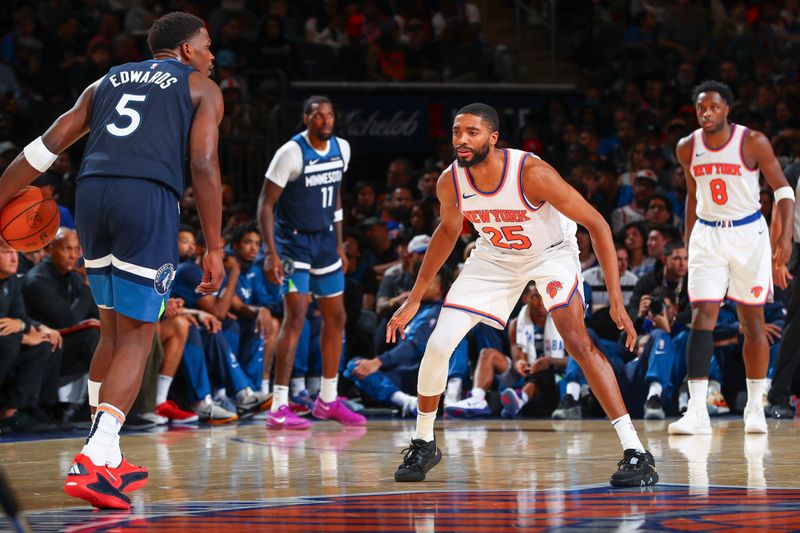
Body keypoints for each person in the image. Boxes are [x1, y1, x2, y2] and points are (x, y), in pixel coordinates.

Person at [0, 12, 225, 510]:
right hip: (146, 199)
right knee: (140, 334)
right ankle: (95, 456)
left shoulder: (106, 80)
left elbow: (48, 145)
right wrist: (214, 245)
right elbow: (205, 164)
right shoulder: (200, 87)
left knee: (112, 328)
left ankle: (108, 450)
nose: (213, 56)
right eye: (207, 46)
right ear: (186, 50)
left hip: (92, 196)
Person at [387, 103, 657, 487]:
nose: (462, 140)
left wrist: (615, 299)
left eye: (472, 133)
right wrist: (415, 297)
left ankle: (635, 451)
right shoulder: (450, 181)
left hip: (550, 254)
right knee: (438, 344)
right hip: (494, 257)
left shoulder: (531, 173)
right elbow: (447, 232)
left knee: (577, 341)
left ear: (493, 138)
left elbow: (596, 223)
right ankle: (424, 441)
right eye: (456, 132)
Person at [668, 81, 795, 436]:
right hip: (708, 234)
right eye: (700, 108)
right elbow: (693, 194)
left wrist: (783, 238)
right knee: (701, 316)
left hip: (747, 234)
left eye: (713, 107)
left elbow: (783, 191)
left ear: (727, 110)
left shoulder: (752, 141)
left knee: (752, 321)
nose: (706, 113)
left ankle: (756, 405)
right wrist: (689, 237)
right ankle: (696, 410)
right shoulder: (686, 147)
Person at [258, 95, 365, 429]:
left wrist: (339, 245)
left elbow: (335, 199)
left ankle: (328, 400)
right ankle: (278, 405)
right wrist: (270, 253)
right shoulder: (290, 153)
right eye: (318, 116)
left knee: (337, 317)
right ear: (306, 119)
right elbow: (265, 205)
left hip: (324, 243)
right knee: (296, 318)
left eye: (330, 115)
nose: (326, 121)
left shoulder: (342, 149)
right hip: (293, 244)